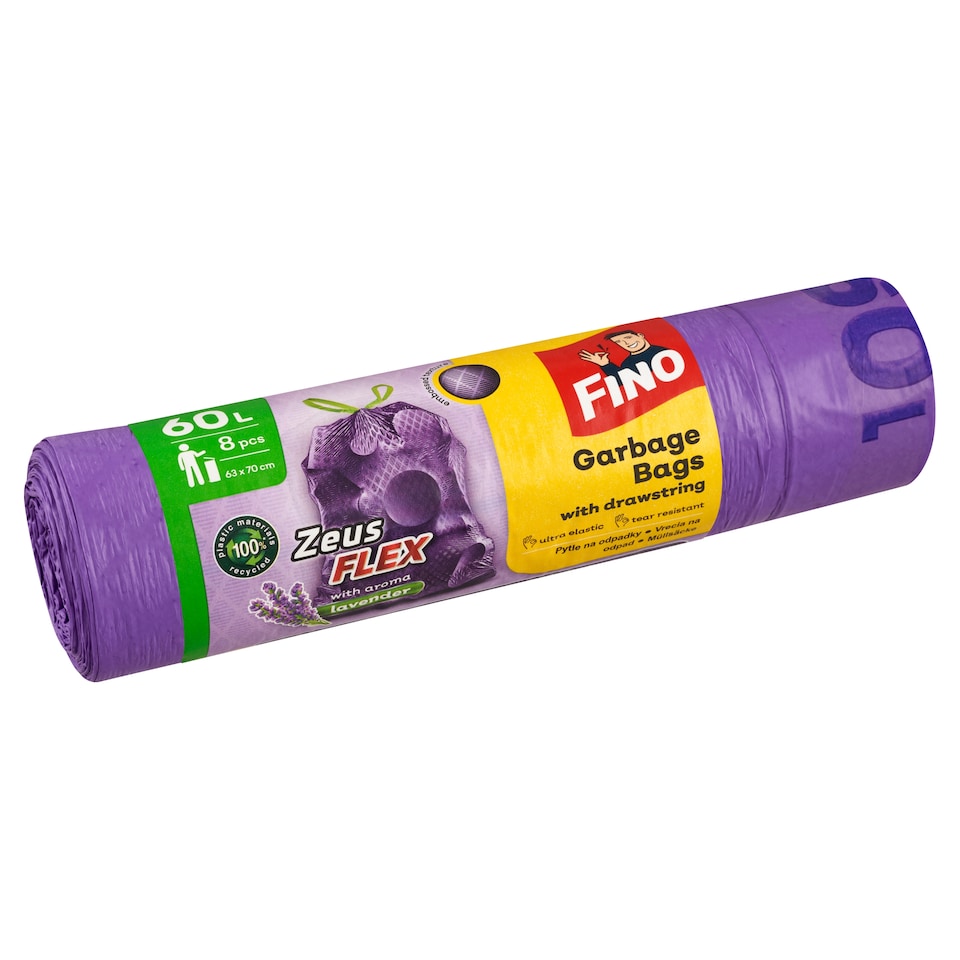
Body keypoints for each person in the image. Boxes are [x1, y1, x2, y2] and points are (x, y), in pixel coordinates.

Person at [578, 328, 668, 376]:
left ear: (640, 335)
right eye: (618, 342)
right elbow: (622, 383)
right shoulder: (627, 363)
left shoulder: (663, 352)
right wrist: (605, 365)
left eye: (628, 337)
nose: (626, 343)